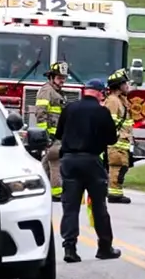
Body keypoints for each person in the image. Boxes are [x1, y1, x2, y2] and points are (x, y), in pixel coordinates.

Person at [54, 79, 122, 263]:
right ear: (100, 93)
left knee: (70, 207)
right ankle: (104, 247)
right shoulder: (102, 112)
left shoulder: (69, 108)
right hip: (92, 161)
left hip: (69, 161)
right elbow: (111, 139)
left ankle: (69, 248)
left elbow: (59, 134)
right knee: (99, 206)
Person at [36, 62, 69, 202]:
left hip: (58, 134)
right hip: (51, 135)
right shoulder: (46, 91)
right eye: (59, 78)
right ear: (51, 77)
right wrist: (45, 134)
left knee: (46, 162)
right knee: (56, 161)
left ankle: (39, 188)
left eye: (64, 78)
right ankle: (57, 193)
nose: (62, 81)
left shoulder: (57, 92)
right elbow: (40, 113)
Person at [103, 69, 135, 204]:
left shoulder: (121, 100)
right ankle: (114, 194)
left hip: (122, 142)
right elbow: (109, 123)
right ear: (118, 86)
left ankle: (116, 192)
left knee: (122, 167)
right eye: (125, 84)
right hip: (116, 143)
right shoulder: (113, 101)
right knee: (116, 167)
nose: (128, 86)